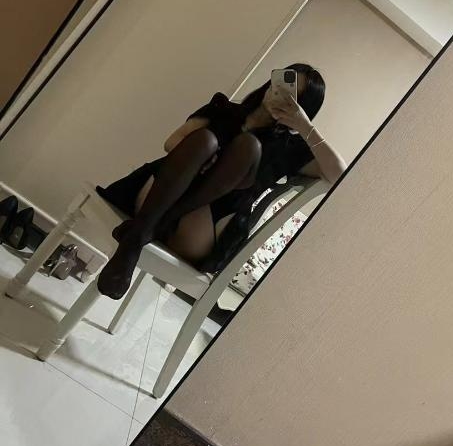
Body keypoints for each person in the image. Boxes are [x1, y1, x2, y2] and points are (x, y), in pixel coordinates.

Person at [96, 63, 346, 299]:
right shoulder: (223, 109)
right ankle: (140, 235)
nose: (282, 95)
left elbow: (341, 176)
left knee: (248, 147)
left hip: (200, 226)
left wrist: (305, 127)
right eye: (283, 84)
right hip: (157, 197)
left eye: (293, 97)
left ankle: (140, 233)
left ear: (303, 109)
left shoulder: (289, 148)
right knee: (205, 141)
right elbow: (171, 143)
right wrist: (202, 159)